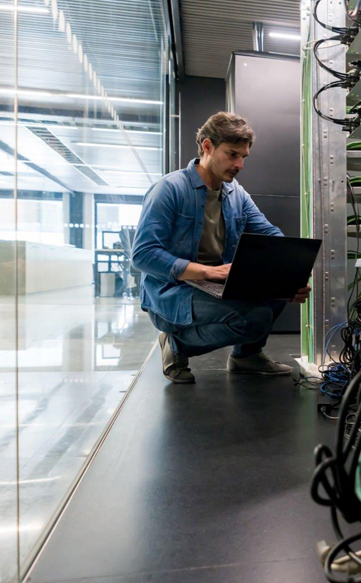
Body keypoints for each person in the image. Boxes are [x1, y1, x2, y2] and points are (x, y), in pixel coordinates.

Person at [132, 112, 310, 384]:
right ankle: (176, 346)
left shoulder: (236, 193)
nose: (239, 164)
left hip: (215, 284)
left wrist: (288, 274)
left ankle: (246, 356)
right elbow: (143, 255)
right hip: (172, 290)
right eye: (232, 154)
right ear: (207, 147)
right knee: (254, 319)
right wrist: (205, 272)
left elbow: (271, 236)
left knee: (276, 293)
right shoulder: (169, 189)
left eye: (243, 157)